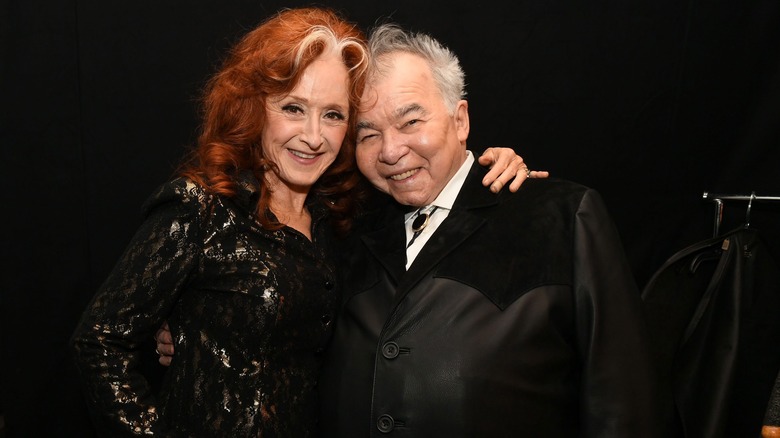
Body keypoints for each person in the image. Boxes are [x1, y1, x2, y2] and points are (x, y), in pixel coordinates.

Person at [71, 7, 537, 437]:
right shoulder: (202, 209)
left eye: (333, 115)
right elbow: (98, 342)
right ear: (255, 106)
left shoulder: (346, 221)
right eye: (294, 108)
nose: (314, 137)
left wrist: (484, 168)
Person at [314, 24, 661, 437]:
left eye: (410, 122)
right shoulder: (345, 230)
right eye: (368, 133)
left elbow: (626, 398)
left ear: (459, 120)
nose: (390, 151)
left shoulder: (560, 216)